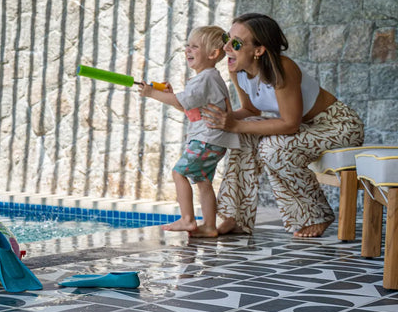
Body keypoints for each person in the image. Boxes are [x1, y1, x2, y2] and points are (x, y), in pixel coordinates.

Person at [202, 13, 364, 238]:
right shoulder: (236, 70)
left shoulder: (282, 68)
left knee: (273, 147)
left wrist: (235, 125)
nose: (227, 47)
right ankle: (235, 216)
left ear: (259, 50)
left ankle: (315, 214)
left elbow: (289, 125)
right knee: (244, 134)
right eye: (226, 38)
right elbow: (250, 111)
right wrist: (221, 119)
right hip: (305, 128)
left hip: (338, 126)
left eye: (236, 43)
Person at [139, 26, 239, 238]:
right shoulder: (209, 79)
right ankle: (210, 226)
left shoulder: (205, 79)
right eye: (187, 45)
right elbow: (187, 107)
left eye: (195, 46)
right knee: (203, 182)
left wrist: (152, 93)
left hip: (206, 140)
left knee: (179, 172)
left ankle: (187, 218)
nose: (188, 50)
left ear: (213, 54)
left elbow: (180, 102)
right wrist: (171, 95)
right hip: (213, 141)